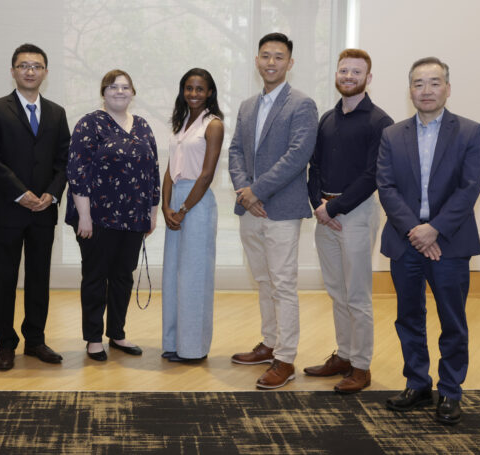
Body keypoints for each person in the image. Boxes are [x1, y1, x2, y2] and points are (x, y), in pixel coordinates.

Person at [377, 57, 480, 424]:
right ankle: (418, 383)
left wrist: (434, 229)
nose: (426, 90)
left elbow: (469, 189)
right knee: (408, 318)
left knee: (452, 320)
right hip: (404, 240)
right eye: (418, 83)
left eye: (434, 82)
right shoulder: (392, 135)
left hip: (450, 243)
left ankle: (451, 392)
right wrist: (416, 230)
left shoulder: (470, 132)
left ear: (448, 88)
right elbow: (387, 187)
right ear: (410, 90)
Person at [228, 32, 318, 389]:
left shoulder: (302, 104)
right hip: (249, 209)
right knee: (263, 280)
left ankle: (286, 358)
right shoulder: (248, 105)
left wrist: (257, 190)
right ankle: (268, 344)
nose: (271, 62)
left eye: (279, 57)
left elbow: (298, 156)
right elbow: (235, 150)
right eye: (265, 56)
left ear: (290, 63)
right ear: (256, 61)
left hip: (281, 208)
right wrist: (243, 192)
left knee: (282, 283)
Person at [304, 49, 393, 393]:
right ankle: (343, 355)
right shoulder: (328, 118)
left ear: (368, 78)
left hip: (355, 213)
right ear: (337, 74)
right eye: (344, 70)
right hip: (324, 215)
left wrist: (335, 207)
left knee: (357, 295)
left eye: (357, 72)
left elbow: (373, 175)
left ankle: (361, 366)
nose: (349, 76)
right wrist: (318, 205)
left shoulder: (379, 122)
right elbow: (315, 167)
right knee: (337, 292)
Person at [0, 44, 71, 371]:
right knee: (4, 280)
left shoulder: (57, 113)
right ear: (13, 71)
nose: (30, 71)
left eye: (36, 66)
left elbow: (64, 161)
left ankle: (35, 340)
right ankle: (5, 345)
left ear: (45, 72)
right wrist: (22, 194)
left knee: (38, 278)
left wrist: (50, 194)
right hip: (9, 210)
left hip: (44, 211)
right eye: (23, 65)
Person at [66, 69, 160, 361]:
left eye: (125, 87)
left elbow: (153, 171)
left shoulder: (143, 125)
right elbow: (77, 171)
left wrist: (152, 213)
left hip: (134, 217)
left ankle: (117, 334)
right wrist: (84, 216)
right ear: (103, 93)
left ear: (133, 92)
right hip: (96, 217)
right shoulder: (89, 124)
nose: (120, 91)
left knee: (123, 277)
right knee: (96, 277)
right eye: (113, 87)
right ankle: (94, 338)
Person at [161, 68, 224, 363]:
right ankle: (174, 343)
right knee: (174, 275)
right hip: (175, 203)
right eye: (189, 88)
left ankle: (194, 348)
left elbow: (207, 174)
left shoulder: (213, 125)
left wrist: (183, 209)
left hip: (196, 205)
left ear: (209, 92)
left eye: (200, 89)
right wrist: (165, 207)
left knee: (194, 277)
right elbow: (170, 169)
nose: (194, 94)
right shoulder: (180, 122)